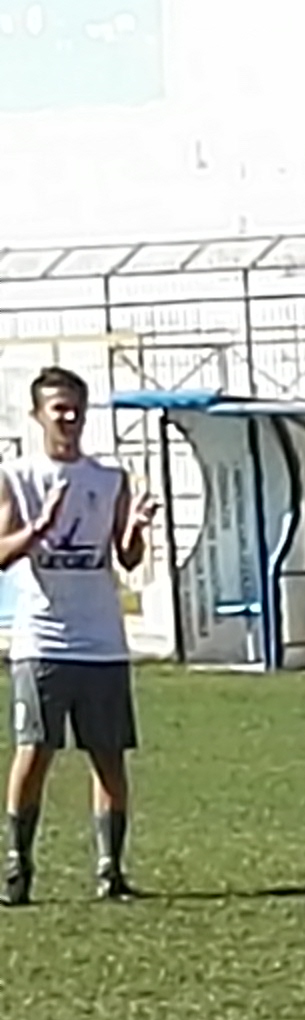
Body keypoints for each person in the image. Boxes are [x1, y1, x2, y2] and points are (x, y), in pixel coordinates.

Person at [0, 366, 153, 904]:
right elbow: (1, 553)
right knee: (35, 750)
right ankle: (18, 865)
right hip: (43, 640)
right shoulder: (16, 476)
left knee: (108, 755)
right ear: (37, 414)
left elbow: (126, 558)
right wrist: (38, 529)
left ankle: (111, 871)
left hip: (102, 641)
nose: (68, 417)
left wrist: (135, 530)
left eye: (75, 408)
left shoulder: (109, 478)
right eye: (58, 408)